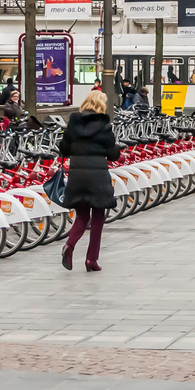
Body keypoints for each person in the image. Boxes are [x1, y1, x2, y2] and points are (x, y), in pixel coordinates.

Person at [59, 90, 122, 272]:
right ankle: (91, 259)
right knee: (98, 217)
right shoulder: (105, 125)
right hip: (98, 175)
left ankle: (70, 245)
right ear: (101, 104)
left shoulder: (73, 122)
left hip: (78, 174)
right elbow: (112, 153)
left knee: (82, 215)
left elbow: (64, 148)